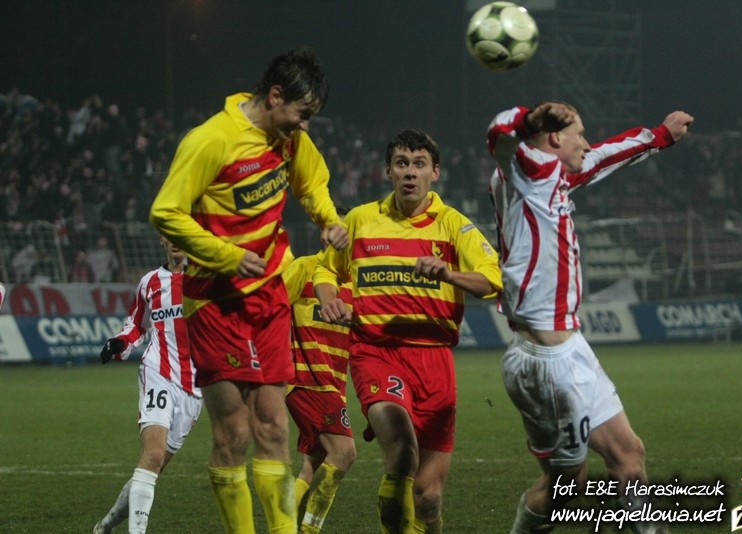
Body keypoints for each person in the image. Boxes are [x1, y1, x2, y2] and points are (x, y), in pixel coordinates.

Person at [149, 47, 348, 534]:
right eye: (301, 114)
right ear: (275, 96)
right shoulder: (212, 140)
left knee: (274, 426)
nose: (304, 126)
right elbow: (166, 212)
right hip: (215, 300)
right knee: (234, 433)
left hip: (269, 297)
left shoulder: (289, 139)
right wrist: (226, 255)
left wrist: (327, 218)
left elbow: (311, 182)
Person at [486, 101, 694, 533]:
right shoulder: (523, 173)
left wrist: (660, 136)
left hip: (572, 347)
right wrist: (528, 119)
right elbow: (499, 135)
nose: (586, 142)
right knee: (567, 485)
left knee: (629, 454)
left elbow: (602, 157)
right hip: (544, 363)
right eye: (579, 134)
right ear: (554, 138)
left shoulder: (554, 175)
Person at [313, 129, 502, 533]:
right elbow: (326, 269)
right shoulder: (361, 220)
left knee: (428, 496)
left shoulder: (453, 225)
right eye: (402, 163)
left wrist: (449, 273)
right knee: (401, 449)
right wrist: (329, 298)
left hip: (435, 361)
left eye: (419, 164)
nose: (410, 172)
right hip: (376, 352)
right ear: (389, 171)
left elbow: (492, 279)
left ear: (435, 172)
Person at [93, 235, 202, 534]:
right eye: (169, 233)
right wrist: (120, 343)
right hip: (159, 373)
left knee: (152, 467)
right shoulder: (150, 282)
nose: (176, 240)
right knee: (152, 456)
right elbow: (137, 326)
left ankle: (105, 525)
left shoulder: (208, 278)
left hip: (196, 388)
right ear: (161, 239)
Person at [282, 251, 356, 533]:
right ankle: (308, 530)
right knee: (344, 453)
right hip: (307, 379)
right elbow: (269, 308)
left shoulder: (356, 281)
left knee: (312, 466)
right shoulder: (304, 268)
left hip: (334, 385)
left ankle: (283, 528)